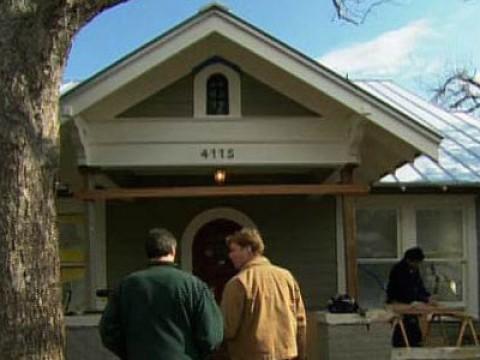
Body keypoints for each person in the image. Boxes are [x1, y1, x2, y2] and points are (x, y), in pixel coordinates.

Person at [99, 228, 224, 359]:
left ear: (148, 252)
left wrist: (131, 352)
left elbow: (108, 331)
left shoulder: (126, 286)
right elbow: (211, 336)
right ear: (173, 250)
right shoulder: (194, 286)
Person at [221, 227, 307, 360]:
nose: (230, 255)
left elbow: (228, 328)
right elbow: (300, 321)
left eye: (234, 250)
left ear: (248, 249)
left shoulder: (239, 283)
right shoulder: (286, 277)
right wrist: (301, 354)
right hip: (286, 353)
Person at [387, 246, 435, 347]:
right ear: (409, 260)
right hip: (398, 301)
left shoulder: (414, 270)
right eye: (416, 262)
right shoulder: (398, 270)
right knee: (406, 323)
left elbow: (419, 286)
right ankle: (404, 343)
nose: (417, 265)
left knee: (415, 321)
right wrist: (421, 299)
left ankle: (416, 341)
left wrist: (427, 297)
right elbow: (405, 290)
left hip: (410, 301)